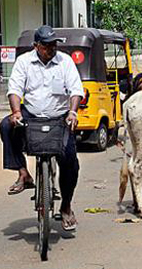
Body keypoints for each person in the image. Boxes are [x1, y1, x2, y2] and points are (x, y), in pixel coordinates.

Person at [0, 25, 83, 231]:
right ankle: (23, 173)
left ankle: (66, 206)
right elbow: (15, 89)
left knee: (70, 162)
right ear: (36, 46)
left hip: (60, 117)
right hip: (32, 114)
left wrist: (72, 112)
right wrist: (16, 112)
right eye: (46, 45)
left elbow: (75, 90)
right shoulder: (24, 62)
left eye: (54, 44)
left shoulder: (65, 61)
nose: (51, 48)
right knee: (5, 125)